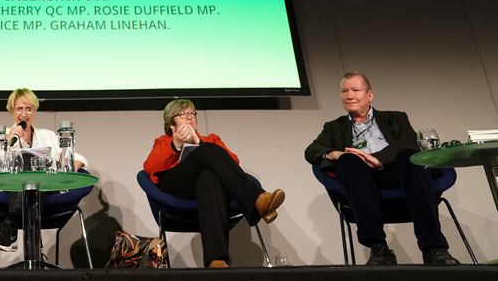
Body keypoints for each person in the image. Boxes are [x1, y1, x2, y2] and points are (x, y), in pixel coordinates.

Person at [305, 72, 460, 266]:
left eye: (355, 90)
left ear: (369, 95)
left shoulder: (395, 118)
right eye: (344, 91)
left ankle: (434, 249)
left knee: (408, 156)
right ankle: (378, 248)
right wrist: (335, 154)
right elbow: (311, 151)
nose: (349, 95)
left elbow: (409, 142)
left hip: (398, 172)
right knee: (349, 161)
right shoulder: (334, 127)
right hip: (362, 180)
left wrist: (378, 159)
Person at [143, 99, 284, 269]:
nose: (190, 117)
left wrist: (199, 143)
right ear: (171, 122)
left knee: (208, 176)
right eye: (183, 114)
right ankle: (257, 201)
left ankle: (216, 260)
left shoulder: (210, 139)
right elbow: (150, 167)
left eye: (192, 113)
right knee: (207, 151)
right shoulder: (163, 141)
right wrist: (177, 144)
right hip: (175, 189)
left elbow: (233, 163)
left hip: (206, 194)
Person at [0, 88, 88, 252]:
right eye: (19, 109)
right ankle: (32, 238)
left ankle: (9, 229)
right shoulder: (2, 135)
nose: (24, 114)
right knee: (26, 168)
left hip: (47, 194)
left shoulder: (47, 136)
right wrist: (7, 140)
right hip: (8, 196)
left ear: (35, 112)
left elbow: (80, 158)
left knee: (33, 169)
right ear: (12, 111)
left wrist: (67, 167)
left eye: (29, 109)